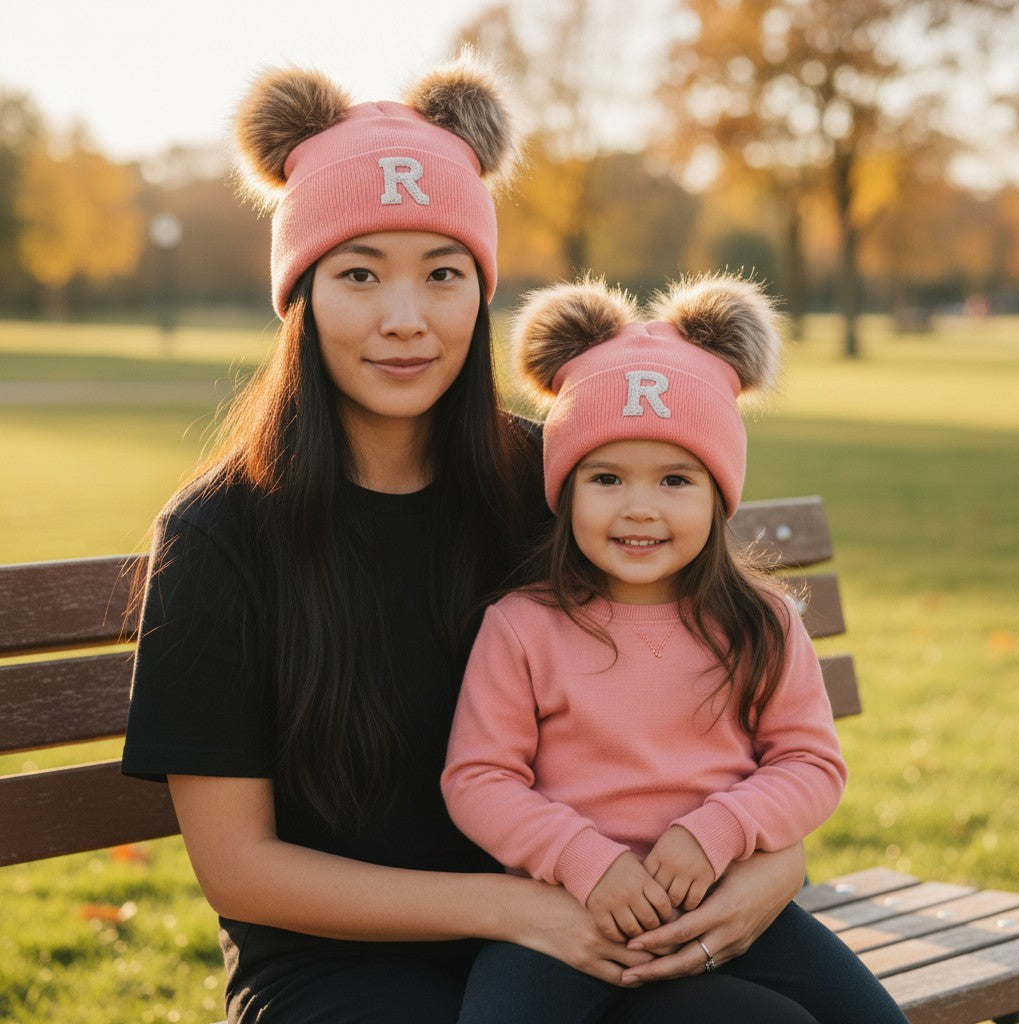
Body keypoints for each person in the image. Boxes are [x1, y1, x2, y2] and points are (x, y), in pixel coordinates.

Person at [121, 50, 871, 1024]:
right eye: (359, 274)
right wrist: (516, 910)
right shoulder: (221, 535)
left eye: (443, 274)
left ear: (482, 291)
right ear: (301, 294)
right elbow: (239, 869)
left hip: (594, 918)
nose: (405, 320)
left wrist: (768, 871)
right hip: (348, 963)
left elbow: (725, 721)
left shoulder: (562, 487)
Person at [442, 275, 912, 1024]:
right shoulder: (523, 626)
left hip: (726, 902)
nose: (640, 508)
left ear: (718, 494)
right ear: (565, 491)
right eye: (605, 478)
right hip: (566, 915)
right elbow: (479, 779)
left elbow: (810, 763)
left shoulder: (761, 624)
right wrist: (585, 862)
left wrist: (715, 832)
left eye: (674, 479)